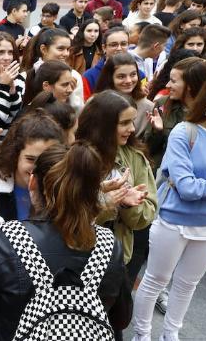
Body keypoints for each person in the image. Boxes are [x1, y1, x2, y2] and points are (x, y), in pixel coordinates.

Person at [0, 142, 131, 340]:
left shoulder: (5, 240)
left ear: (32, 183)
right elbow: (121, 319)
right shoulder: (109, 245)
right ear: (93, 192)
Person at [131, 69, 206, 341]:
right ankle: (142, 335)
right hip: (174, 221)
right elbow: (187, 188)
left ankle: (171, 334)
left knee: (187, 285)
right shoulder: (185, 131)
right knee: (155, 280)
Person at [76, 91, 156, 278]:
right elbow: (71, 211)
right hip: (77, 253)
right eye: (124, 123)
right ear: (102, 124)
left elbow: (147, 214)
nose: (132, 129)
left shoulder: (135, 158)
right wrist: (107, 202)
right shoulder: (78, 156)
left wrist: (127, 205)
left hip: (116, 256)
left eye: (133, 121)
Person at [95, 53, 155, 136]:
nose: (128, 81)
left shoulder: (147, 107)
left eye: (133, 74)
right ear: (110, 78)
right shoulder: (96, 104)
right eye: (121, 76)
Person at [83, 27, 130, 97]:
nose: (119, 48)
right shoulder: (89, 76)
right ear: (104, 47)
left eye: (123, 44)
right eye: (114, 45)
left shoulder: (138, 74)